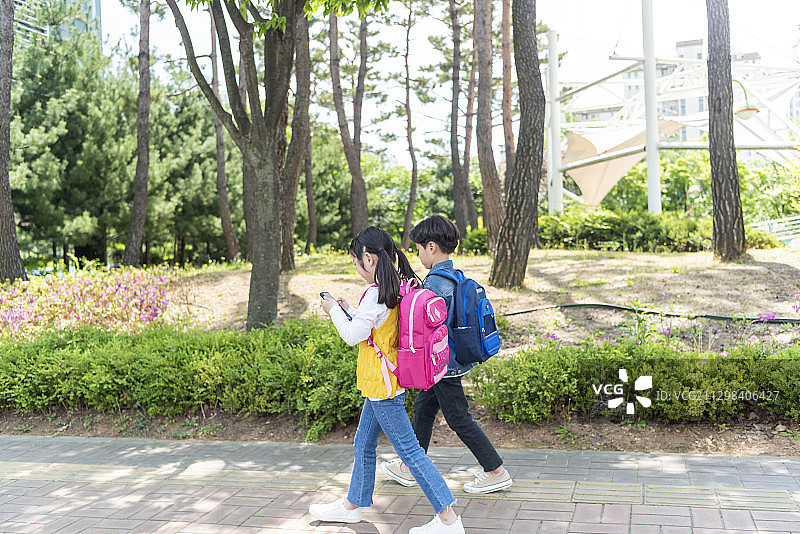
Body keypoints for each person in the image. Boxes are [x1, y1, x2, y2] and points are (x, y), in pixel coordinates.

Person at [309, 226, 465, 534]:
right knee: (363, 444)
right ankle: (352, 506)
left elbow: (354, 335)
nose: (358, 269)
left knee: (410, 453)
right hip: (386, 383)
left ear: (368, 259)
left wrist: (332, 312)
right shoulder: (397, 286)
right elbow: (377, 328)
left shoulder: (375, 293)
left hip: (383, 387)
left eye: (357, 263)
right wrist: (348, 309)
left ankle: (449, 519)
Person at [380, 215, 512, 494]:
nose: (417, 255)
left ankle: (496, 471)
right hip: (449, 361)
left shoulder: (435, 285)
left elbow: (421, 328)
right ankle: (410, 467)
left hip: (442, 365)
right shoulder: (455, 276)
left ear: (431, 247)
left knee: (458, 418)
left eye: (418, 249)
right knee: (424, 409)